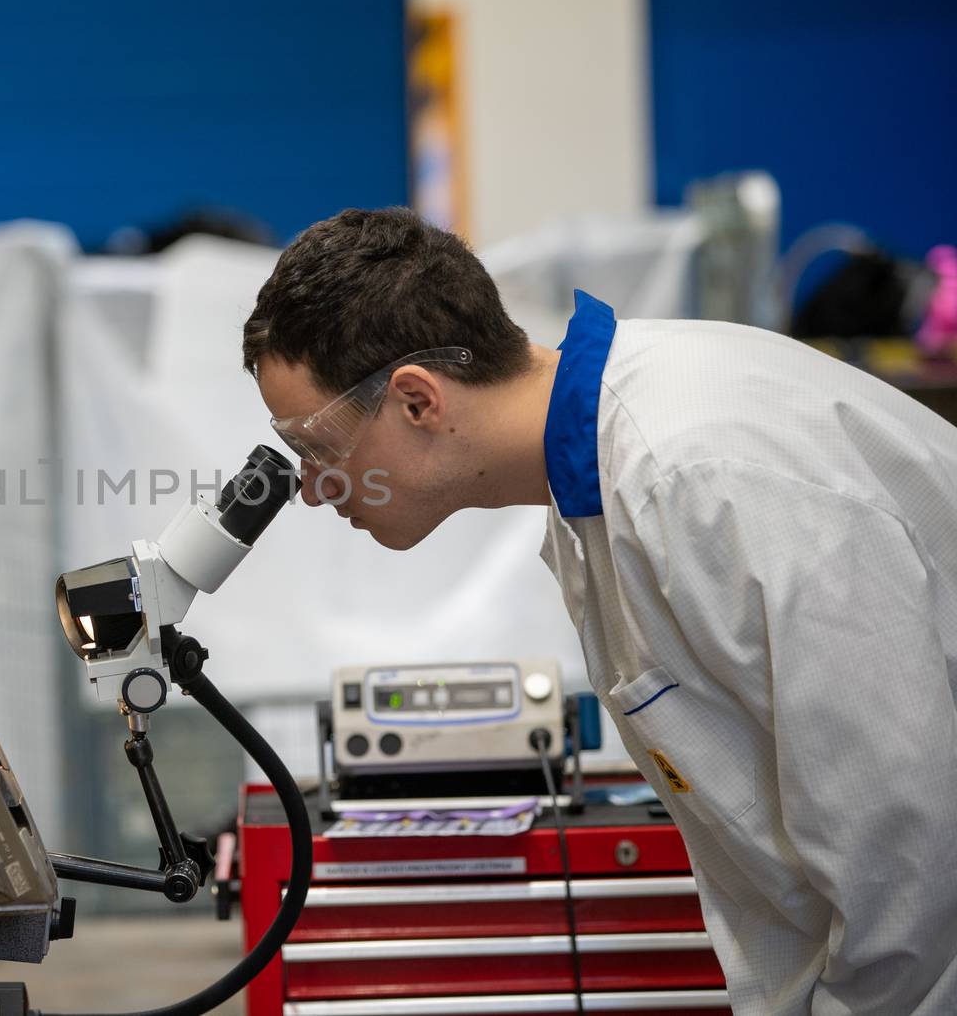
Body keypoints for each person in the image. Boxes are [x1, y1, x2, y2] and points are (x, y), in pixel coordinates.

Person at [244, 207, 957, 1014]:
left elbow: (908, 866)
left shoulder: (695, 473)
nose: (308, 486)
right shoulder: (598, 482)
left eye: (315, 444)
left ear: (416, 400)